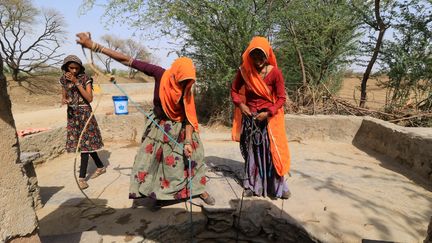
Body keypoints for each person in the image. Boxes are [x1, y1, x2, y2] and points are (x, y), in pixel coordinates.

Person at [75, 32, 215, 206]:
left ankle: (199, 190)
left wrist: (187, 141)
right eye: (182, 80)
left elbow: (188, 117)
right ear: (175, 75)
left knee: (192, 158)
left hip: (181, 127)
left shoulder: (187, 89)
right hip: (159, 125)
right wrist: (95, 47)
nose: (184, 85)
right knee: (149, 161)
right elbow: (128, 60)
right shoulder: (160, 74)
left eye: (187, 81)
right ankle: (160, 194)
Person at [231, 36, 291, 199]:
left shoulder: (275, 73)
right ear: (250, 56)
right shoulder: (244, 71)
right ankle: (251, 185)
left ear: (267, 55)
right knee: (253, 152)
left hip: (269, 120)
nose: (258, 61)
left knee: (272, 153)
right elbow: (234, 91)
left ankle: (278, 187)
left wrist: (268, 112)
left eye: (261, 57)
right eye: (255, 57)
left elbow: (281, 98)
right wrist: (241, 105)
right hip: (251, 119)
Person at [60, 55, 106, 190]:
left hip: (85, 114)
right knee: (85, 144)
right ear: (66, 67)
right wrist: (65, 100)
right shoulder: (63, 79)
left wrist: (76, 82)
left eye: (76, 68)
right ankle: (101, 167)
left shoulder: (85, 78)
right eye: (71, 68)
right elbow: (64, 96)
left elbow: (89, 98)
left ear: (80, 68)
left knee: (85, 146)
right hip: (73, 115)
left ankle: (81, 178)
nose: (74, 70)